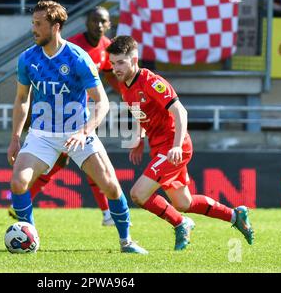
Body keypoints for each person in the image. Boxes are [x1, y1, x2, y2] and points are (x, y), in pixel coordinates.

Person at [7, 0, 147, 254]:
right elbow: (21, 99)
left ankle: (126, 241)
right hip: (42, 135)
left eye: (39, 24)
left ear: (56, 27)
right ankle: (29, 235)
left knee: (111, 185)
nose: (34, 29)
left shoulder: (77, 57)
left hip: (78, 132)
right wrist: (16, 137)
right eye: (33, 24)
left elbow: (102, 101)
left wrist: (85, 131)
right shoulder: (27, 59)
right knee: (18, 182)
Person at [106, 35, 254, 251]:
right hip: (160, 148)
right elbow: (139, 113)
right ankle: (235, 215)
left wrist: (176, 145)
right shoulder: (126, 88)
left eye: (120, 62)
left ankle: (180, 223)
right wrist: (138, 140)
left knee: (138, 194)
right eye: (112, 63)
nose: (115, 68)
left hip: (174, 146)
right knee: (183, 203)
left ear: (134, 59)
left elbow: (180, 111)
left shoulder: (151, 82)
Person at [8, 6, 120, 227]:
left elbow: (112, 80)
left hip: (81, 121)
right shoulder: (74, 47)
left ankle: (113, 220)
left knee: (94, 172)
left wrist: (133, 104)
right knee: (61, 162)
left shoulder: (105, 48)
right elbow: (23, 97)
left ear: (108, 25)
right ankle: (105, 212)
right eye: (94, 20)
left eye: (103, 21)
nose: (98, 25)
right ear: (86, 22)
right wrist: (16, 135)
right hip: (46, 124)